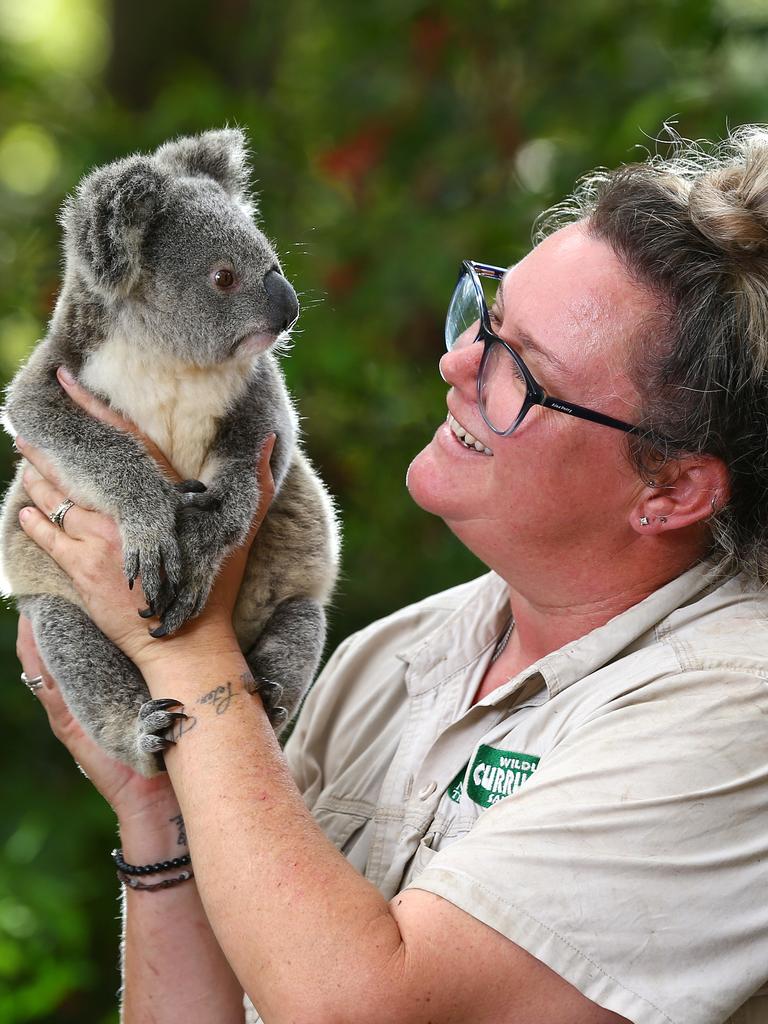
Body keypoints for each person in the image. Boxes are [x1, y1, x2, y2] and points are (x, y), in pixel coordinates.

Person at [14, 124, 768, 1024]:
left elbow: (361, 1008)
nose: (454, 364)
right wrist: (160, 810)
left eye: (519, 371)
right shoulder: (394, 662)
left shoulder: (735, 720)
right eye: (485, 315)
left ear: (674, 487)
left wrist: (183, 653)